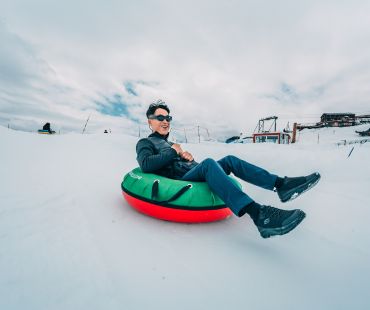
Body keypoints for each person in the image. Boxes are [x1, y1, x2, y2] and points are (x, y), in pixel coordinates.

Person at [136, 100, 321, 238]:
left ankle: (281, 184)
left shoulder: (169, 144)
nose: (165, 120)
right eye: (159, 117)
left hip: (192, 173)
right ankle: (259, 215)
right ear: (149, 122)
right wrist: (172, 152)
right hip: (181, 182)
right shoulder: (145, 142)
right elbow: (145, 165)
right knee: (209, 163)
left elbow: (178, 162)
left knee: (230, 160)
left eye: (167, 117)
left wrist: (187, 158)